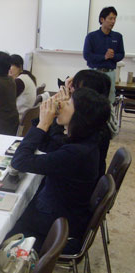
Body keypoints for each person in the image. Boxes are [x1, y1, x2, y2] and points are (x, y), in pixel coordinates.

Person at [7, 88, 111, 254]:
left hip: (57, 226)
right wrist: (49, 120)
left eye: (68, 103)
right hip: (63, 212)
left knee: (2, 225)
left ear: (80, 117)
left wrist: (44, 124)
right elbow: (47, 145)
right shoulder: (86, 141)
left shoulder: (77, 154)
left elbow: (20, 161)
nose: (61, 105)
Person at [83, 6, 125, 104]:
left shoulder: (117, 37)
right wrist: (104, 57)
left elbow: (121, 54)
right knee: (92, 100)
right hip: (94, 73)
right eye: (110, 18)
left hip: (110, 73)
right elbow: (87, 56)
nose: (113, 21)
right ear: (102, 19)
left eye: (114, 18)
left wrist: (113, 56)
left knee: (109, 101)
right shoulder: (91, 37)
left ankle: (109, 119)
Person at [9, 54, 37, 120]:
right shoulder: (26, 76)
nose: (8, 68)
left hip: (19, 118)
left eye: (11, 65)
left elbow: (7, 100)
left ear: (19, 67)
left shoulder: (19, 81)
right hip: (25, 117)